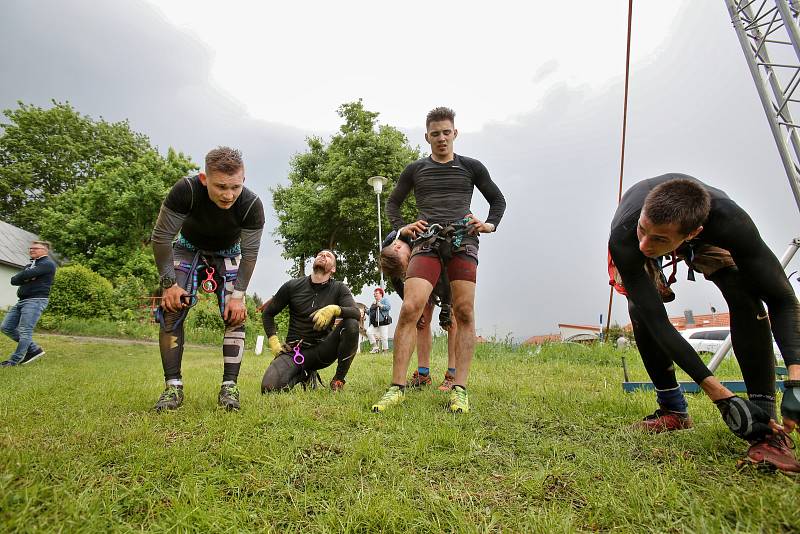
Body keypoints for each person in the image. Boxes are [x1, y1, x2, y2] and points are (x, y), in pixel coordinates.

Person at [609, 173, 800, 472]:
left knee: (744, 293)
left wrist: (796, 379)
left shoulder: (731, 223)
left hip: (706, 232)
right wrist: (720, 396)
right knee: (642, 309)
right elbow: (658, 321)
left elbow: (782, 299)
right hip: (638, 229)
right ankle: (673, 409)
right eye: (643, 231)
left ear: (693, 233)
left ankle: (766, 427)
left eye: (658, 239)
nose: (645, 244)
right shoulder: (627, 236)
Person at [372, 106, 506, 413]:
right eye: (435, 134)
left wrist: (489, 224)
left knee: (464, 312)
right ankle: (396, 387)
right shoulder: (415, 169)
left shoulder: (472, 167)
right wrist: (400, 228)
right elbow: (393, 203)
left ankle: (459, 388)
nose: (442, 138)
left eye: (447, 132)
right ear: (427, 137)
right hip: (426, 242)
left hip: (463, 240)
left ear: (455, 133)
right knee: (410, 308)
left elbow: (497, 200)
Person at [150, 146, 264, 412]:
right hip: (188, 248)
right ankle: (172, 388)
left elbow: (250, 255)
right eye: (221, 186)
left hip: (230, 253)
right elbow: (162, 238)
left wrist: (238, 296)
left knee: (236, 314)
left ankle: (229, 388)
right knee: (171, 309)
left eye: (235, 187)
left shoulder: (251, 205)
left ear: (243, 181)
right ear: (205, 179)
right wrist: (169, 284)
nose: (228, 195)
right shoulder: (186, 191)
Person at [260, 249, 361, 393]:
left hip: (322, 350)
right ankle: (304, 374)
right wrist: (274, 341)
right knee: (269, 389)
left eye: (328, 256)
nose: (323, 256)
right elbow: (268, 313)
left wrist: (335, 309)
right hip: (294, 351)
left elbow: (356, 313)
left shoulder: (339, 288)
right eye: (320, 254)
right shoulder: (292, 286)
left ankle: (338, 380)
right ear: (314, 261)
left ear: (333, 268)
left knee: (351, 324)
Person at [380, 229, 458, 391]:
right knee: (421, 321)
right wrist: (413, 305)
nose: (406, 267)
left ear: (399, 249)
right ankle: (423, 374)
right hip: (422, 274)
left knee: (452, 319)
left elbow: (446, 271)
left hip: (445, 266)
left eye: (407, 261)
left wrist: (446, 305)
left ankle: (452, 375)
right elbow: (396, 280)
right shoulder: (389, 249)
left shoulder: (420, 234)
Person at [1, 241, 56, 366]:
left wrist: (25, 276)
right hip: (22, 300)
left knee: (25, 331)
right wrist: (26, 276)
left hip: (35, 300)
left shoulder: (48, 264)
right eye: (30, 248)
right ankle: (34, 350)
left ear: (45, 250)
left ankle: (13, 361)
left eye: (35, 248)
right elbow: (13, 280)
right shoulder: (31, 264)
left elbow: (25, 275)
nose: (31, 250)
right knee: (6, 327)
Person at [367, 287, 391, 353]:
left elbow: (388, 307)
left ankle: (385, 352)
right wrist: (365, 311)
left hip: (383, 322)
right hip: (375, 323)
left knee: (384, 337)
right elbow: (370, 311)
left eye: (376, 293)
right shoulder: (374, 302)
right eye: (374, 294)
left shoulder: (384, 300)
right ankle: (375, 347)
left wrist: (381, 305)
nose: (375, 295)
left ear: (381, 294)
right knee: (369, 332)